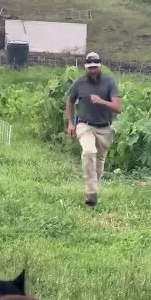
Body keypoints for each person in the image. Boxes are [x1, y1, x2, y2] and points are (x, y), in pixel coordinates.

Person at [65, 52, 122, 207]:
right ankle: (91, 193)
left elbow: (118, 108)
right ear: (86, 68)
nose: (93, 71)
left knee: (99, 161)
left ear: (100, 66)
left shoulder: (110, 83)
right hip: (85, 125)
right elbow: (69, 103)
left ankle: (92, 188)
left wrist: (102, 101)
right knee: (89, 152)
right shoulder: (79, 83)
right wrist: (70, 123)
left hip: (105, 128)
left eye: (95, 67)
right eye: (90, 68)